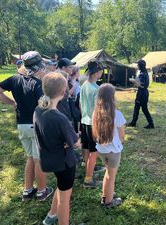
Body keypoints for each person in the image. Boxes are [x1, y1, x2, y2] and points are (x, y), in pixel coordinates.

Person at [0, 51, 53, 201]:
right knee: (38, 159)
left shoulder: (14, 79)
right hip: (35, 126)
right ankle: (42, 192)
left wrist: (12, 103)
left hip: (22, 124)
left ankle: (27, 190)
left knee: (30, 157)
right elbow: (45, 106)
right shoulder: (38, 84)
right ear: (38, 67)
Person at [34, 72, 78, 225]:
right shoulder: (59, 118)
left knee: (61, 187)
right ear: (63, 91)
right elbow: (75, 142)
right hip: (65, 163)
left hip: (50, 159)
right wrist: (73, 139)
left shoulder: (38, 109)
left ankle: (51, 215)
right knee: (65, 200)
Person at [92, 83, 125, 208]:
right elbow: (122, 136)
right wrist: (118, 143)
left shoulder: (96, 113)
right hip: (114, 151)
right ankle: (108, 202)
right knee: (111, 176)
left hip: (101, 149)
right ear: (112, 97)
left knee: (108, 173)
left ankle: (106, 195)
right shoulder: (117, 114)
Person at [80, 59, 104, 188]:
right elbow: (97, 109)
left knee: (88, 150)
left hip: (84, 121)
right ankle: (88, 180)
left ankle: (88, 173)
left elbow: (80, 103)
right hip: (92, 123)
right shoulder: (97, 89)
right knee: (94, 152)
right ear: (96, 72)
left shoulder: (84, 85)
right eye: (101, 71)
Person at [127, 59, 154, 129]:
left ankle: (134, 123)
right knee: (143, 108)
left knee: (138, 108)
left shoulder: (142, 74)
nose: (137, 66)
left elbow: (141, 85)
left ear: (140, 66)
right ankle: (150, 123)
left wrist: (133, 81)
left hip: (141, 93)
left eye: (138, 65)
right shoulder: (145, 73)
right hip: (144, 93)